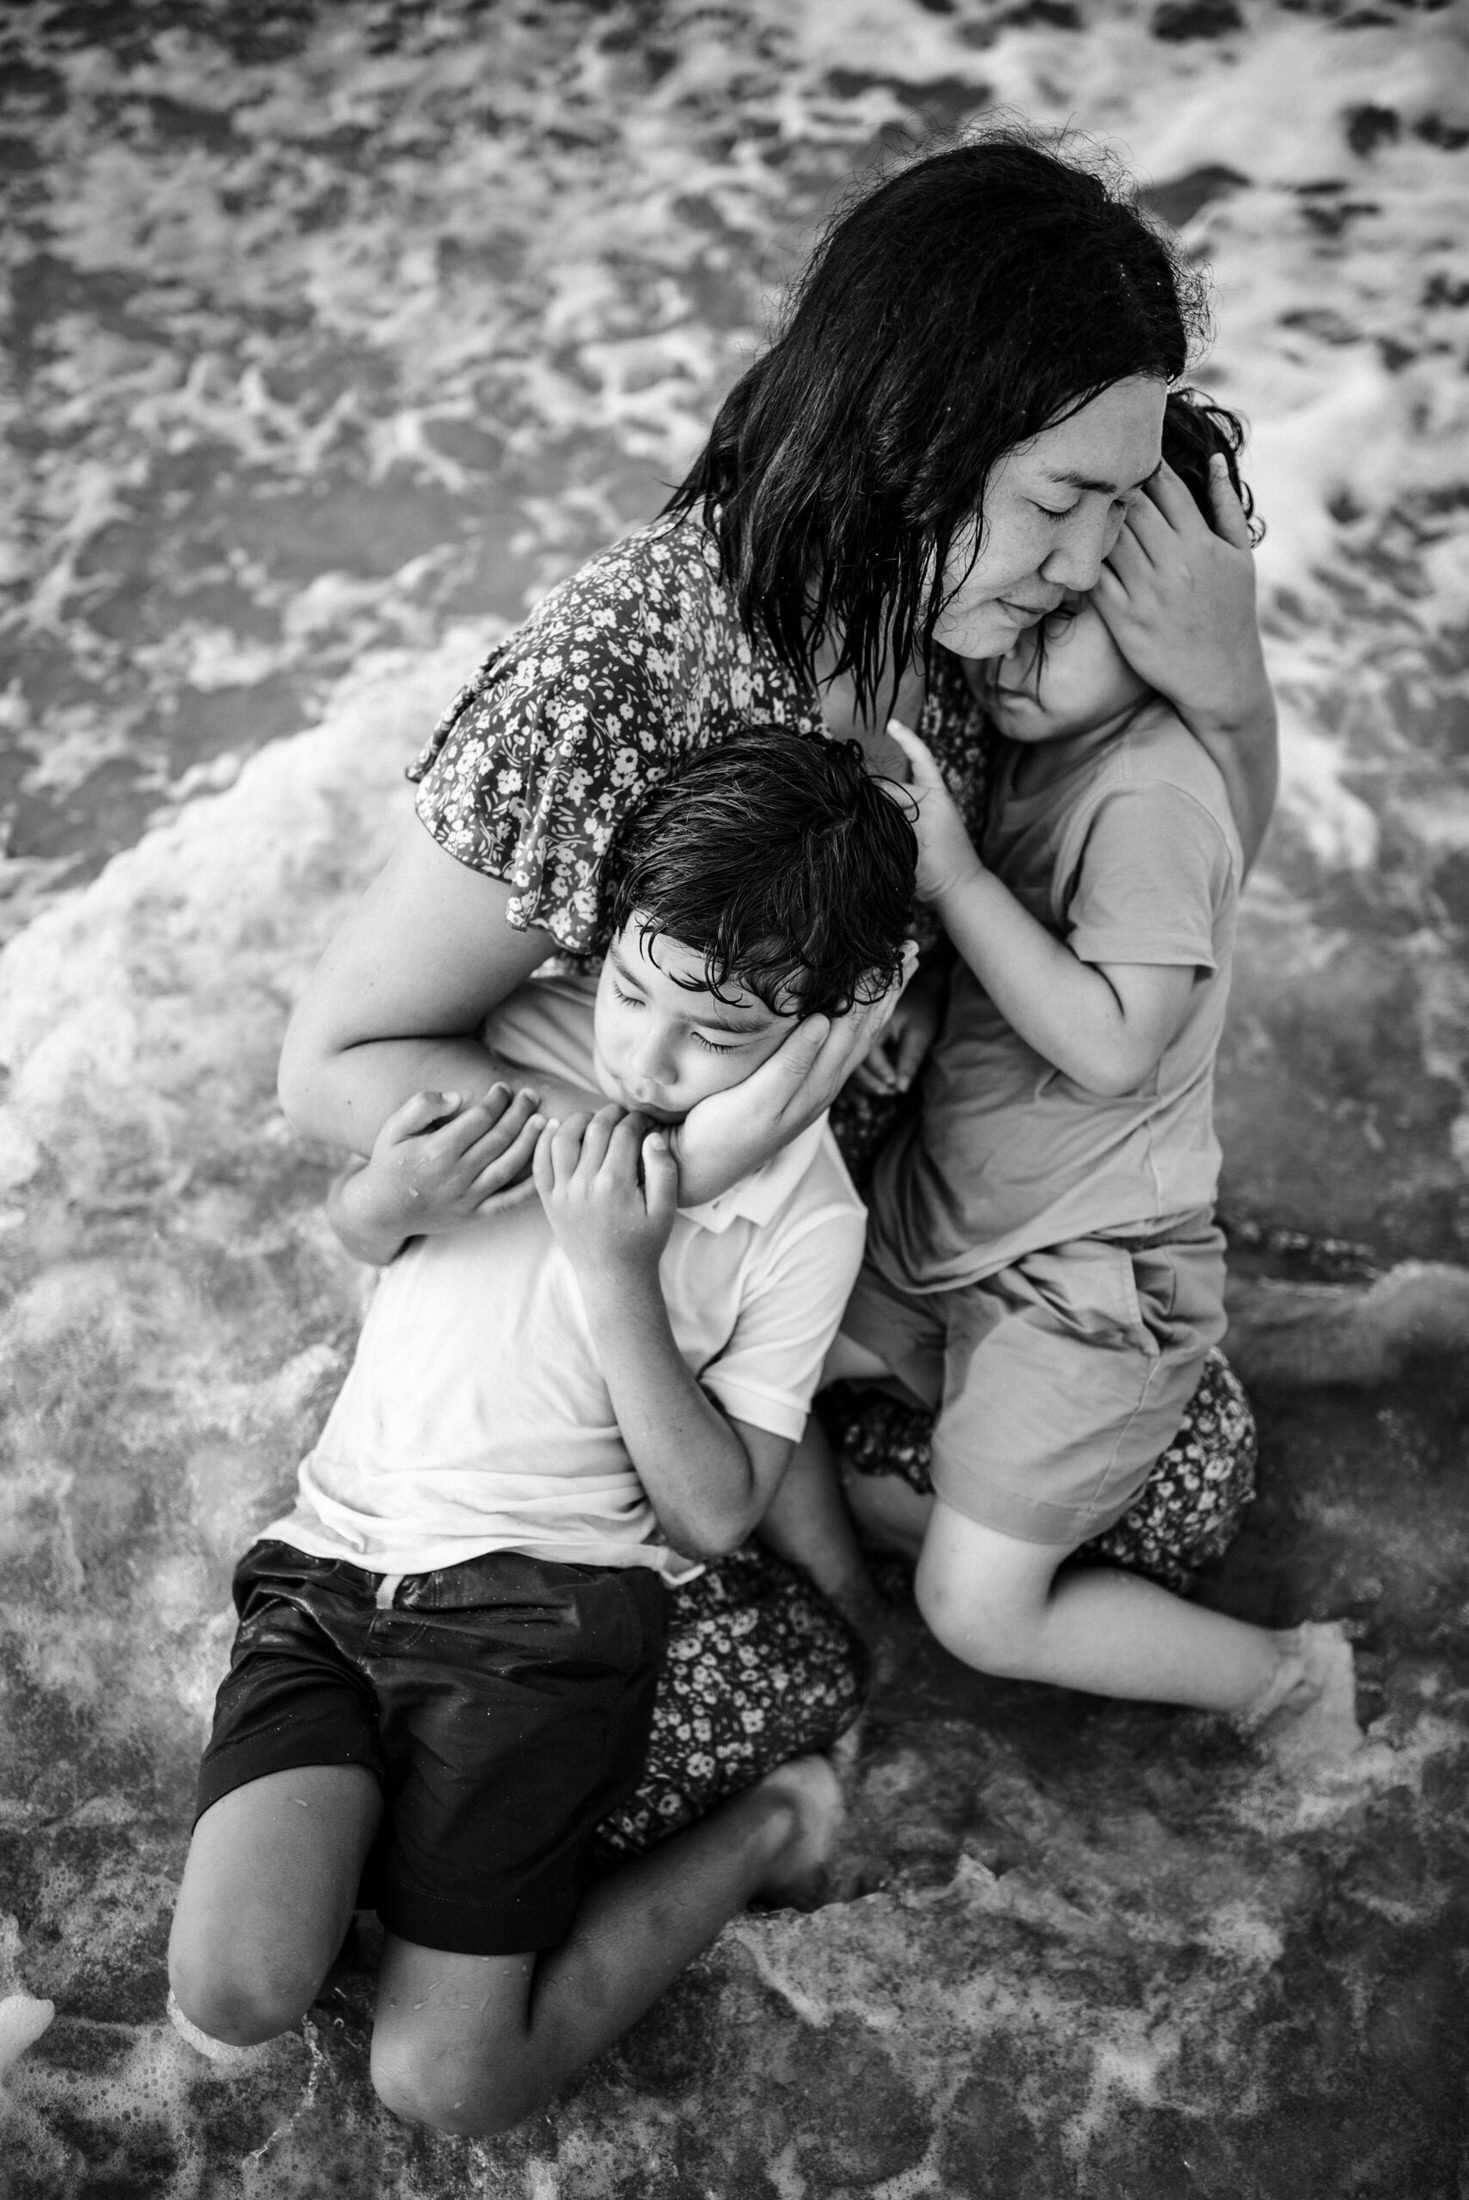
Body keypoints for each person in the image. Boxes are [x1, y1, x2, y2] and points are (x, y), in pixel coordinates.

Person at [272, 129, 1275, 1846]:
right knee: (547, 1772)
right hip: (629, 1289)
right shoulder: (624, 672)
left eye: (1123, 500)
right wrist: (676, 1165)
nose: (1101, 555)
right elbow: (337, 1060)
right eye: (1062, 499)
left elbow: (1164, 897)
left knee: (1181, 1493)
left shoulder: (983, 635)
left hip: (855, 1248)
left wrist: (1229, 682)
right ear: (914, 440)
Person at [167, 731, 917, 2136]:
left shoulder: (802, 1217)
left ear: (834, 1022)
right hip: (330, 1569)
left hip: (543, 1614)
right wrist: (379, 1201)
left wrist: (621, 1269)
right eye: (633, 989)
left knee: (448, 2082)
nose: (646, 1053)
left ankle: (774, 1818)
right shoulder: (523, 1033)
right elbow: (373, 1234)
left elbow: (710, 1515)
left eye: (716, 1037)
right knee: (230, 1995)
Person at [804, 393, 1352, 1738]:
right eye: (1023, 603)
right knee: (761, 1382)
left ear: (1163, 625)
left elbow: (1113, 1047)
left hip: (1083, 1278)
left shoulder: (1153, 790)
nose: (1009, 652)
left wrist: (953, 877)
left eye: (1064, 620)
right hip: (956, 1220)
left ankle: (1283, 1676)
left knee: (978, 1611)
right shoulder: (1053, 743)